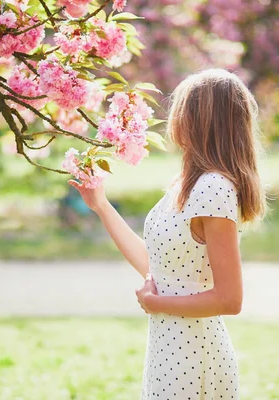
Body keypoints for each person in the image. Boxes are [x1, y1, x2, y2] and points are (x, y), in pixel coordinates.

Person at [69, 68, 267, 399]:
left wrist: (156, 303)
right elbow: (155, 264)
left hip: (193, 352)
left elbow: (230, 299)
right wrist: (101, 206)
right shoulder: (185, 184)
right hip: (168, 346)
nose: (173, 116)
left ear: (201, 119)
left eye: (182, 106)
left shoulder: (214, 188)